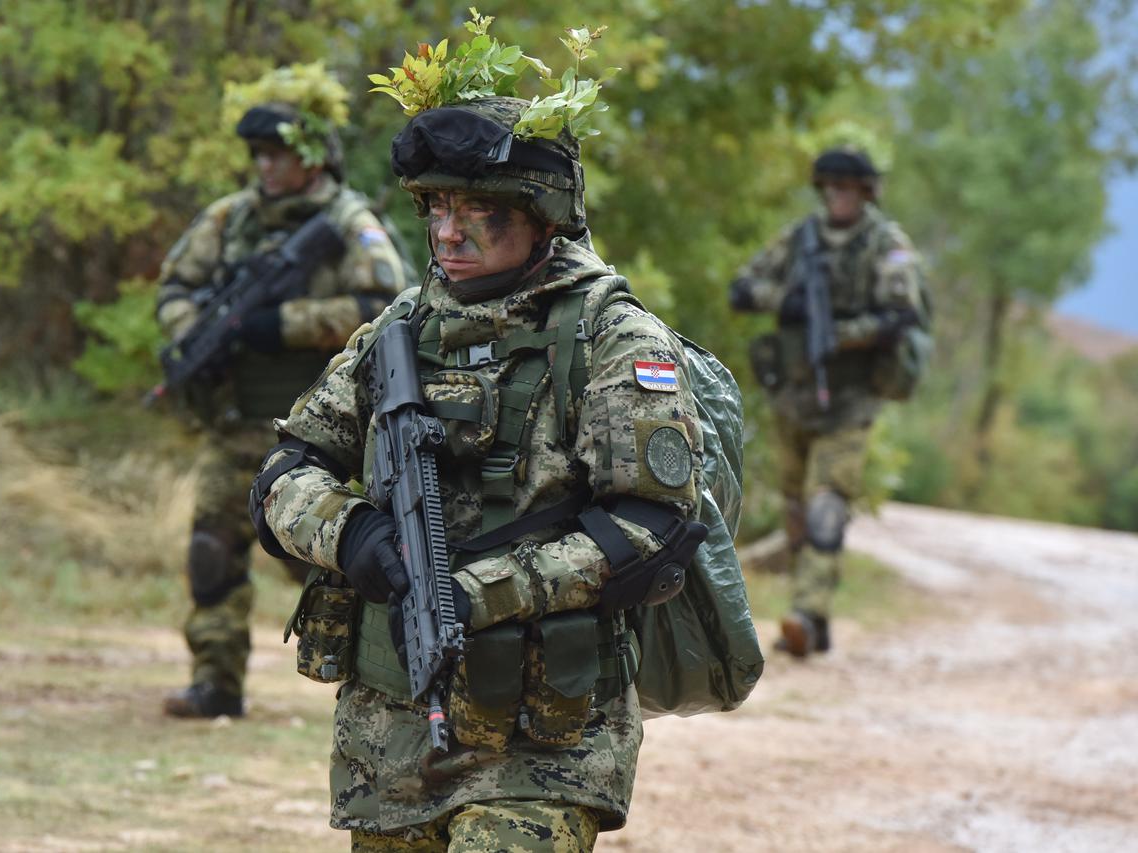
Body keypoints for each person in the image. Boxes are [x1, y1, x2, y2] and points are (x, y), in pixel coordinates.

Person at [250, 93, 717, 850]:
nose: (447, 230)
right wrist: (351, 532)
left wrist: (486, 593)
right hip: (390, 737)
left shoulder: (610, 335)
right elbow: (283, 470)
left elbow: (651, 526)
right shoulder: (398, 331)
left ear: (543, 214)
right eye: (436, 207)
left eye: (479, 210)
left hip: (543, 738)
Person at [155, 64, 410, 718]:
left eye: (280, 153)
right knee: (211, 552)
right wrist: (203, 335)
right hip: (236, 422)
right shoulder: (229, 219)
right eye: (259, 155)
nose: (267, 167)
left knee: (333, 559)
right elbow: (176, 288)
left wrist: (286, 325)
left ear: (315, 155)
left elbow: (388, 303)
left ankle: (388, 676)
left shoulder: (348, 222)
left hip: (320, 435)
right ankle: (216, 683)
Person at [729, 146, 931, 658]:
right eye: (831, 187)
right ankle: (813, 618)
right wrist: (788, 302)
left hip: (852, 397)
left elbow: (901, 316)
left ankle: (805, 611)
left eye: (849, 188)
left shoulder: (887, 245)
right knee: (796, 507)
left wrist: (843, 333)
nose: (839, 196)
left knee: (826, 504)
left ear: (866, 193)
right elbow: (743, 288)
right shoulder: (801, 238)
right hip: (794, 393)